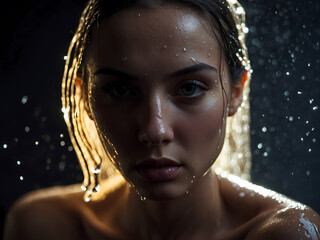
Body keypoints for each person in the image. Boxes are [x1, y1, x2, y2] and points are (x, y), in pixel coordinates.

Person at [4, 0, 320, 239]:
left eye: (190, 88)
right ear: (86, 97)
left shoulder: (284, 233)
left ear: (236, 92)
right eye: (121, 90)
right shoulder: (44, 227)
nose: (155, 130)